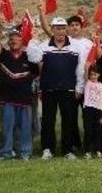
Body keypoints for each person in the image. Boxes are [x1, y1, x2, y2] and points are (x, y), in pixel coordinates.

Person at [27, 17, 84, 160]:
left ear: (66, 29)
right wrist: (33, 40)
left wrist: (79, 87)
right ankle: (47, 149)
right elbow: (33, 58)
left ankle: (67, 150)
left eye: (63, 28)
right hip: (49, 88)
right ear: (52, 29)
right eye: (57, 28)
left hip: (69, 89)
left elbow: (80, 68)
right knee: (48, 120)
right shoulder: (44, 45)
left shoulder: (75, 46)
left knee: (68, 120)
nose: (60, 31)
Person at [0, 28, 39, 161]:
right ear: (8, 42)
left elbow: (38, 71)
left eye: (16, 38)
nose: (13, 40)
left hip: (25, 98)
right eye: (11, 39)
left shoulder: (29, 57)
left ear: (22, 40)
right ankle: (5, 152)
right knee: (6, 127)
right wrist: (0, 28)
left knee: (25, 128)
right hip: (6, 98)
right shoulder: (4, 54)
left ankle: (25, 152)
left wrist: (34, 41)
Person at [82, 66, 102, 158]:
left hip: (99, 110)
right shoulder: (87, 83)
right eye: (91, 75)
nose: (93, 77)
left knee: (98, 130)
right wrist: (87, 67)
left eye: (95, 74)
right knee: (88, 130)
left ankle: (98, 150)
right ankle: (87, 151)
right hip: (88, 109)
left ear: (99, 75)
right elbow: (85, 74)